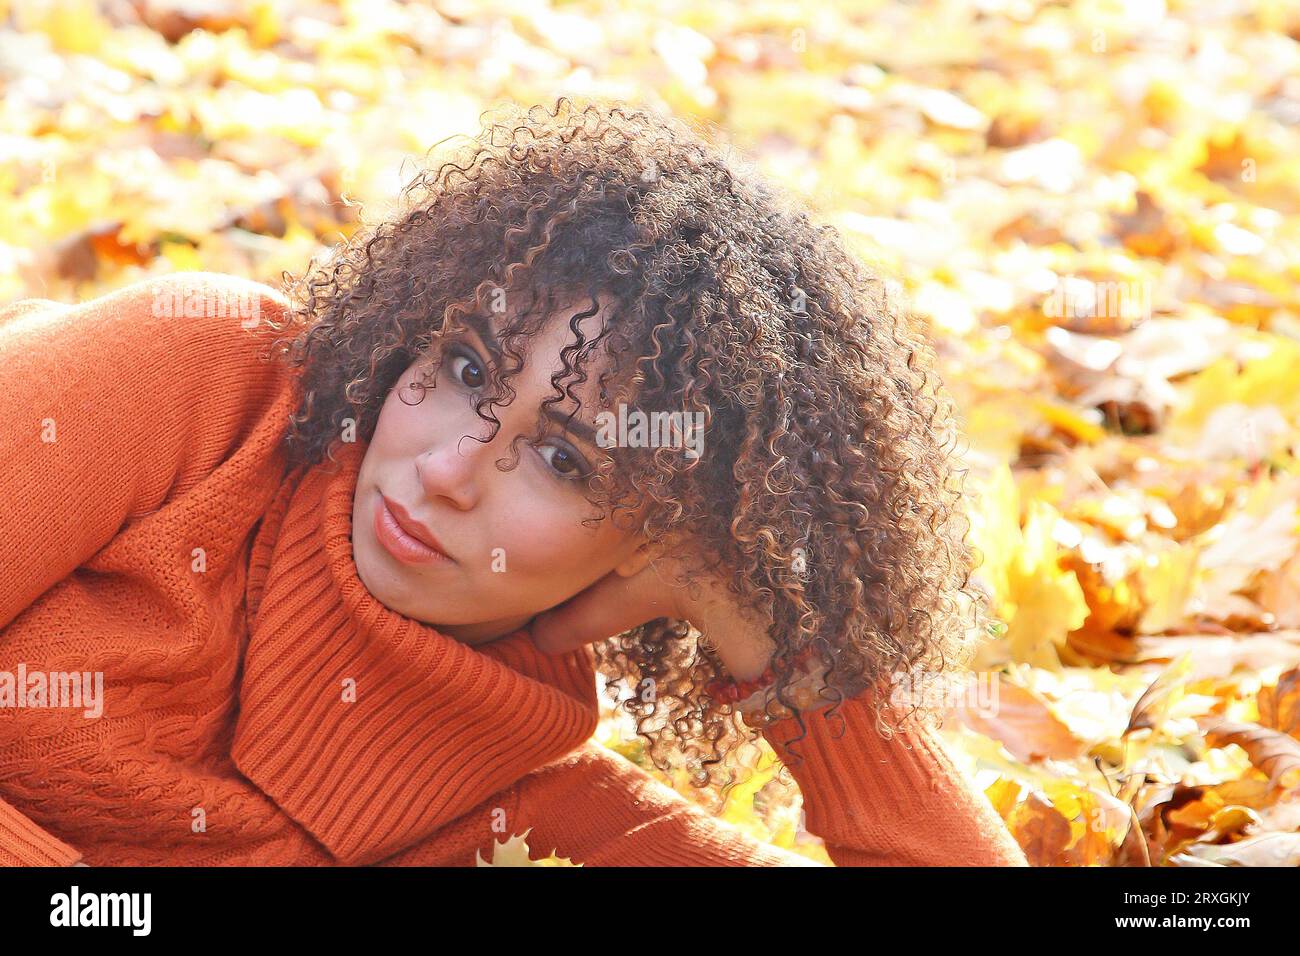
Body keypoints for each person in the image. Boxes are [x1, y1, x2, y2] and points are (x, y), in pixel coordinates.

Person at [0, 97, 1027, 867]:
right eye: (465, 369)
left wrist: (780, 640)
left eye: (562, 457)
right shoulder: (207, 384)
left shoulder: (522, 805)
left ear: (659, 541)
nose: (448, 469)